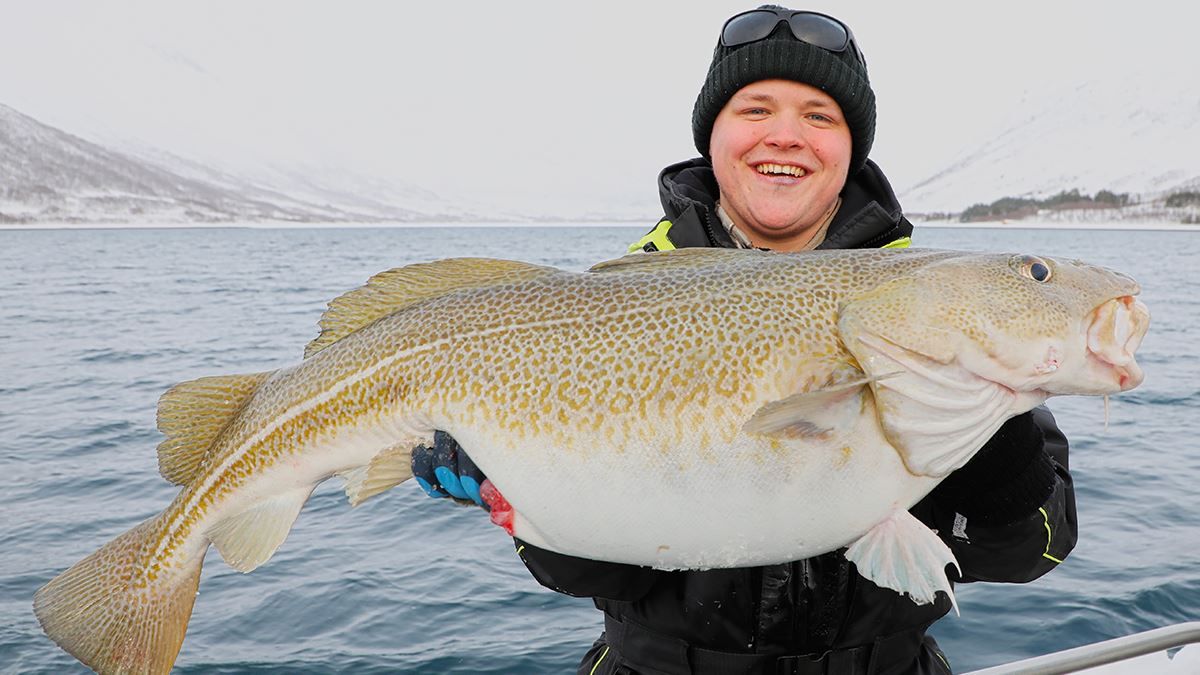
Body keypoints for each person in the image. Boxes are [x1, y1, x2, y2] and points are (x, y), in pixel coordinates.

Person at [411, 6, 1076, 674]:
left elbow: (1036, 551)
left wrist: (997, 447)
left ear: (852, 149)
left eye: (819, 116)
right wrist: (515, 492)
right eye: (755, 110)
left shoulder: (938, 304)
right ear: (713, 136)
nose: (785, 135)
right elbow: (588, 572)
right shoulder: (615, 311)